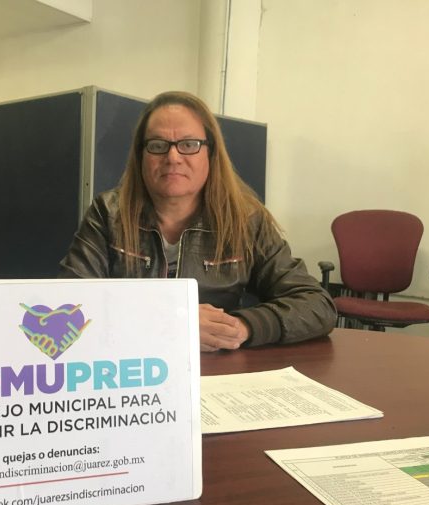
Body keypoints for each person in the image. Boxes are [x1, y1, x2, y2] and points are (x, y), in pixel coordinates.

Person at [59, 91, 336, 350]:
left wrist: (241, 327)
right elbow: (68, 308)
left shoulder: (247, 219)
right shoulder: (108, 214)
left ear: (211, 154)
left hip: (218, 367)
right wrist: (173, 321)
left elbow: (317, 305)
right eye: (158, 145)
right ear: (141, 155)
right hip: (133, 364)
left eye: (189, 144)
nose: (173, 157)